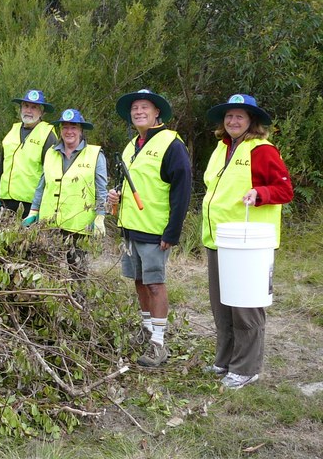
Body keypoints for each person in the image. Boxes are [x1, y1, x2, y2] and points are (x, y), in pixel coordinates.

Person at [201, 94, 293, 389]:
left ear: (252, 121)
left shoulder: (262, 150)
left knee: (245, 306)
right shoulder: (221, 149)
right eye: (229, 116)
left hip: (248, 244)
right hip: (219, 239)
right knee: (222, 304)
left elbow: (284, 190)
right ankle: (224, 360)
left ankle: (246, 367)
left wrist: (260, 194)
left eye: (240, 116)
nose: (233, 121)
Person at [106, 89, 191, 367]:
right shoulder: (133, 145)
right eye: (134, 108)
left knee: (155, 284)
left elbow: (182, 191)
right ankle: (147, 331)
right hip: (131, 228)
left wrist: (172, 232)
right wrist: (116, 196)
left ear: (157, 113)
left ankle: (159, 343)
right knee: (139, 282)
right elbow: (134, 183)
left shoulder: (171, 144)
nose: (138, 112)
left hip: (156, 230)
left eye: (145, 107)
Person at [23, 109, 108, 249]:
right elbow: (42, 186)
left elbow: (101, 190)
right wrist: (34, 210)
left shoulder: (95, 155)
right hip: (49, 224)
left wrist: (100, 215)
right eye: (65, 127)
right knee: (47, 267)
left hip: (79, 227)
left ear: (81, 130)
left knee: (77, 268)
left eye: (73, 127)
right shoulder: (51, 152)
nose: (69, 131)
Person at [0, 90, 59, 216]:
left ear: (42, 112)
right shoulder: (13, 130)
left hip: (31, 205)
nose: (28, 111)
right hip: (6, 201)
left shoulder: (48, 135)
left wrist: (43, 206)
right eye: (26, 106)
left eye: (34, 107)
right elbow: (2, 165)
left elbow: (50, 173)